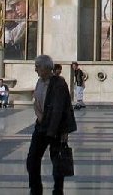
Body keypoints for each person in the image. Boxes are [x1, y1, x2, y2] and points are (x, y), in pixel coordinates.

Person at [27, 54, 76, 195]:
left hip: (56, 129)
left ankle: (58, 189)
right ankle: (35, 188)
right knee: (32, 158)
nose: (35, 69)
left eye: (38, 66)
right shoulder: (39, 82)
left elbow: (62, 108)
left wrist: (62, 131)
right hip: (41, 125)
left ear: (47, 68)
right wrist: (39, 116)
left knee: (57, 159)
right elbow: (36, 102)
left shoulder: (59, 84)